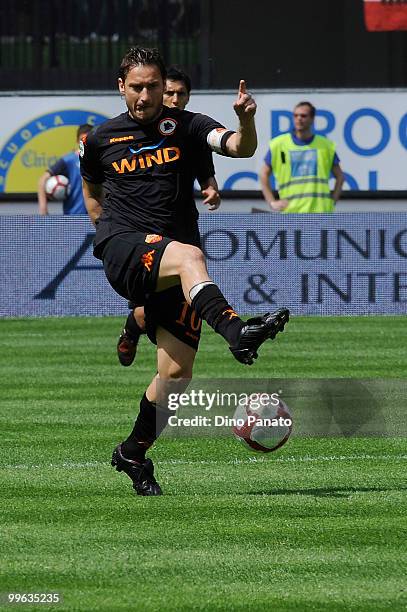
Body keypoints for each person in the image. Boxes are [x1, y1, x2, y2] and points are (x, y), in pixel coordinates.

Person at [80, 47, 289, 496]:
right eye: (136, 86)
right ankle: (237, 333)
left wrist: (247, 119)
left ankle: (132, 452)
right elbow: (92, 194)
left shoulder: (188, 125)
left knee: (176, 378)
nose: (145, 95)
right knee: (193, 256)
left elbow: (239, 146)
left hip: (169, 263)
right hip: (126, 248)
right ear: (121, 87)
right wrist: (107, 238)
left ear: (163, 88)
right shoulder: (100, 139)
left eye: (153, 86)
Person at [117, 65, 220, 368]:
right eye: (170, 92)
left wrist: (210, 188)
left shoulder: (191, 129)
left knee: (180, 304)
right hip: (140, 234)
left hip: (182, 229)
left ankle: (149, 339)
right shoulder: (136, 132)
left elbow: (205, 171)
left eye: (181, 93)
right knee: (148, 309)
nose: (175, 99)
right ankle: (134, 325)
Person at [259, 101, 344, 213]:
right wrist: (272, 202)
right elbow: (263, 174)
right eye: (295, 115)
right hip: (290, 213)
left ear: (312, 119)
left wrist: (331, 202)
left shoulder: (326, 145)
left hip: (320, 213)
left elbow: (340, 177)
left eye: (303, 116)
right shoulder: (278, 145)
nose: (299, 118)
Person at [37, 124, 93, 215]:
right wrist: (43, 209)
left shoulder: (100, 161)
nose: (84, 144)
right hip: (73, 217)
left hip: (96, 218)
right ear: (77, 141)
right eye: (81, 140)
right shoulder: (69, 160)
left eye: (88, 140)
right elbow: (42, 180)